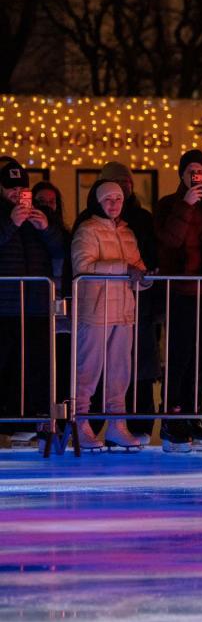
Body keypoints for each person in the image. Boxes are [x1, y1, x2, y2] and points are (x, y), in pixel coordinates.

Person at [154, 149, 202, 451]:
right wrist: (185, 206)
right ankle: (173, 417)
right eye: (190, 171)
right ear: (181, 174)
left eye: (200, 171)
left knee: (200, 357)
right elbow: (169, 240)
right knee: (180, 355)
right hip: (180, 289)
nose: (196, 176)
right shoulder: (169, 204)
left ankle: (192, 412)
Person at [71, 180, 150, 449]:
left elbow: (136, 266)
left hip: (123, 310)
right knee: (87, 370)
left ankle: (117, 424)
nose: (114, 204)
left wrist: (144, 277)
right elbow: (83, 266)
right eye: (108, 199)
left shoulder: (127, 232)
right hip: (95, 311)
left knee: (120, 371)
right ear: (97, 202)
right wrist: (125, 268)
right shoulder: (87, 230)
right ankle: (80, 423)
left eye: (118, 199)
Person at [93, 161, 160, 439]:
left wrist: (147, 278)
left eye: (127, 184)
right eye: (118, 184)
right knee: (100, 364)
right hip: (102, 303)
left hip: (137, 303)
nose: (124, 188)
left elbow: (147, 257)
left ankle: (138, 423)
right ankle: (96, 422)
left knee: (137, 364)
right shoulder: (91, 222)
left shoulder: (141, 221)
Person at [0, 161, 63, 443]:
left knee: (35, 363)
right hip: (6, 303)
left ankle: (31, 420)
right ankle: (9, 422)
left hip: (37, 304)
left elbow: (61, 248)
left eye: (21, 187)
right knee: (7, 363)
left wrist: (46, 227)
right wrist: (10, 223)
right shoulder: (5, 216)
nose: (17, 193)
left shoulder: (41, 215)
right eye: (11, 187)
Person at [32, 181, 72, 417]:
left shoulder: (63, 235)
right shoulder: (25, 235)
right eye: (41, 202)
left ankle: (62, 420)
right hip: (36, 311)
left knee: (63, 370)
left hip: (62, 315)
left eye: (51, 202)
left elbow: (61, 253)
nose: (47, 206)